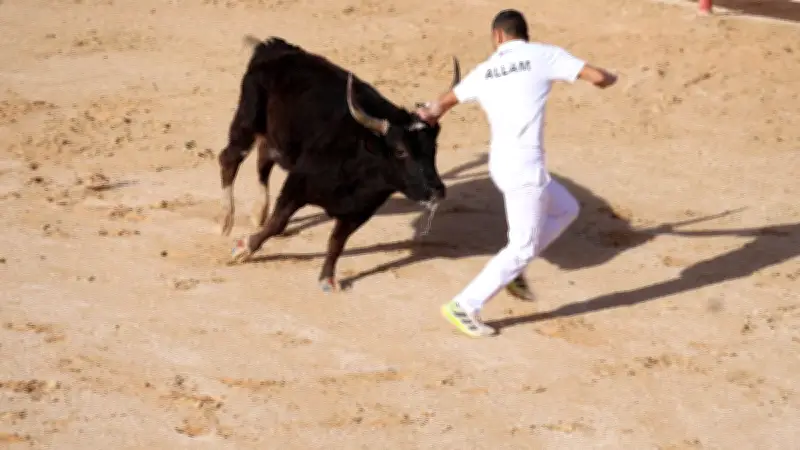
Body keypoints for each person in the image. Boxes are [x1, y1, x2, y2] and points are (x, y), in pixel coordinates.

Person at [415, 9, 618, 337]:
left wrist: (426, 113)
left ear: (498, 36)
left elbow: (441, 105)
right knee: (522, 245)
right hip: (525, 167)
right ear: (524, 33)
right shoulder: (544, 54)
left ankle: (510, 270)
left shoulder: (485, 69)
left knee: (567, 208)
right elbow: (597, 78)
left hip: (501, 163)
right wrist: (611, 76)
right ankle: (465, 304)